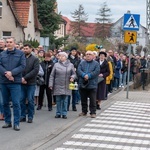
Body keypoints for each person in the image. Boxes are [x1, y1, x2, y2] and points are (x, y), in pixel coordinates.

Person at [0, 37, 26, 131]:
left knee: (16, 103)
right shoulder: (2, 54)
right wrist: (6, 74)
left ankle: (16, 123)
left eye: (11, 42)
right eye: (7, 42)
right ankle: (7, 122)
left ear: (14, 43)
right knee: (4, 103)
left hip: (15, 82)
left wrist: (12, 73)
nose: (9, 44)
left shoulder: (20, 54)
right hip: (4, 81)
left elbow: (22, 66)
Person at [49, 52, 76, 119]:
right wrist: (50, 84)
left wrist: (72, 77)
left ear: (66, 57)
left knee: (65, 100)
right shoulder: (56, 65)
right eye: (59, 56)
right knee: (58, 100)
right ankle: (58, 113)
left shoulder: (70, 65)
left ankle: (64, 113)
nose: (61, 57)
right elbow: (52, 75)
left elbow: (74, 74)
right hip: (58, 84)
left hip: (66, 84)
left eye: (62, 56)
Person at [20, 43, 39, 123]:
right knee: (21, 99)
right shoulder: (21, 58)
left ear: (31, 49)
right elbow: (19, 68)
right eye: (24, 48)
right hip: (21, 82)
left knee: (30, 99)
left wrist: (25, 78)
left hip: (31, 82)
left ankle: (30, 116)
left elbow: (35, 71)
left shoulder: (35, 59)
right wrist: (21, 78)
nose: (25, 50)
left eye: (27, 48)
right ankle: (22, 115)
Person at [77, 51, 100, 118]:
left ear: (93, 56)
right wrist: (84, 75)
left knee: (92, 100)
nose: (88, 55)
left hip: (92, 84)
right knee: (83, 99)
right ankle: (84, 111)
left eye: (90, 54)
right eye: (87, 54)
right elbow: (79, 70)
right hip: (83, 83)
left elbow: (96, 72)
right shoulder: (82, 63)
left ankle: (93, 112)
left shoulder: (96, 64)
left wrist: (89, 76)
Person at [68, 47, 81, 111]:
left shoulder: (78, 59)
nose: (74, 52)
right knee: (68, 92)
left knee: (74, 92)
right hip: (68, 77)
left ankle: (74, 105)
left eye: (75, 51)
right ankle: (67, 105)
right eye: (72, 51)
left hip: (75, 78)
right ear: (70, 52)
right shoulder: (68, 59)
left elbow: (79, 68)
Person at [0, 39, 5, 120]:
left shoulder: (5, 53)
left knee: (2, 99)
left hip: (3, 78)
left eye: (1, 42)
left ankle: (2, 113)